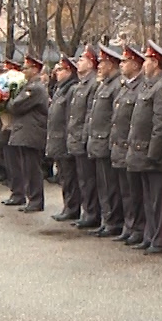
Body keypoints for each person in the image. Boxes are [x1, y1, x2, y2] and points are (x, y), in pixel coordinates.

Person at [126, 40, 162, 255]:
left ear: (155, 63)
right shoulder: (150, 85)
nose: (144, 64)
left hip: (156, 156)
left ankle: (160, 240)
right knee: (149, 201)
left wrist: (154, 154)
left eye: (147, 60)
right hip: (145, 153)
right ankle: (150, 236)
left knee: (158, 202)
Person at [86, 45, 125, 238]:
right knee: (103, 184)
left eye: (102, 62)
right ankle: (107, 219)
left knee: (111, 186)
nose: (99, 65)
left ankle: (114, 221)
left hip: (107, 142)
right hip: (98, 141)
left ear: (111, 64)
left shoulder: (117, 85)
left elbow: (116, 118)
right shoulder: (105, 84)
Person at [111, 44, 146, 246]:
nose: (121, 65)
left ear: (135, 64)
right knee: (125, 191)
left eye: (125, 61)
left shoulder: (141, 87)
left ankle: (138, 227)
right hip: (121, 144)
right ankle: (129, 225)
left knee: (135, 192)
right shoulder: (125, 86)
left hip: (131, 145)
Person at [67, 46, 102, 230]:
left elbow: (89, 115)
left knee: (89, 180)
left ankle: (92, 213)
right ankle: (86, 211)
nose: (78, 63)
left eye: (82, 59)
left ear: (90, 63)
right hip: (76, 138)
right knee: (82, 179)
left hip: (84, 138)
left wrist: (83, 137)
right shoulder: (80, 85)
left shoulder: (93, 84)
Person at [7, 58, 48, 211]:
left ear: (35, 69)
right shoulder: (28, 86)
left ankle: (36, 200)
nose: (23, 71)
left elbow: (16, 105)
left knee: (32, 168)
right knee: (26, 167)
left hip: (31, 132)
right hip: (25, 132)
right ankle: (31, 198)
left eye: (26, 68)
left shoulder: (35, 88)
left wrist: (10, 102)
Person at [47, 56, 82, 220]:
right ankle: (67, 205)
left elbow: (70, 117)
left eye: (60, 70)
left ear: (69, 71)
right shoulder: (60, 88)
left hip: (64, 138)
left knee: (70, 177)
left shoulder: (71, 89)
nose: (56, 73)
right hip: (57, 138)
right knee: (63, 175)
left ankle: (72, 207)